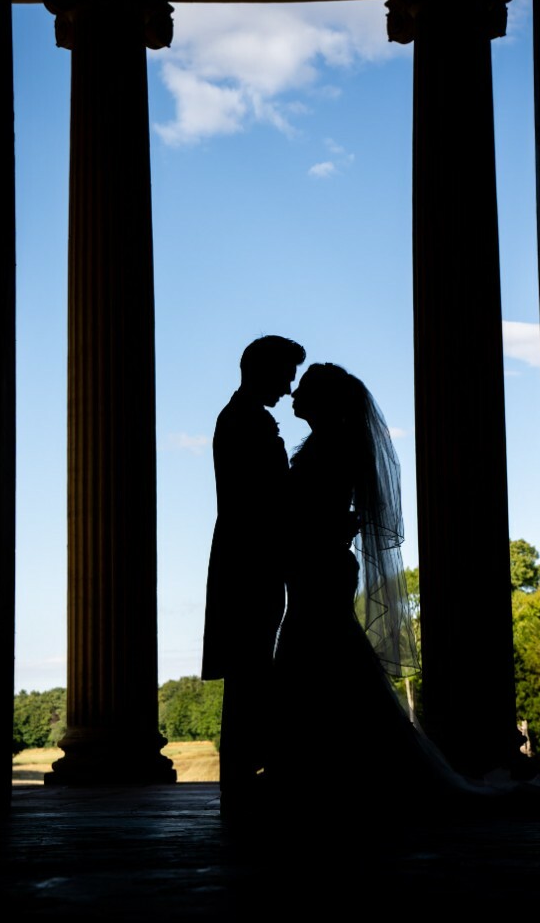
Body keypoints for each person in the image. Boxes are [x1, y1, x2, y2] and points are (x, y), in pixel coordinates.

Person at [267, 363, 540, 825]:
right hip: (319, 565)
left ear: (324, 400)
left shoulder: (329, 448)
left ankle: (315, 772)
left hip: (319, 566)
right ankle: (326, 770)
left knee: (314, 653)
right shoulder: (330, 444)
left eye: (303, 389)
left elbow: (313, 512)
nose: (293, 396)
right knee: (326, 655)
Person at [202, 335, 306, 817]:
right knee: (250, 669)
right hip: (251, 563)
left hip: (245, 559)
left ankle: (242, 777)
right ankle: (242, 780)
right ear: (262, 371)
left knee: (250, 669)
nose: (288, 389)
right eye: (284, 376)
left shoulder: (239, 417)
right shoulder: (249, 422)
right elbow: (270, 499)